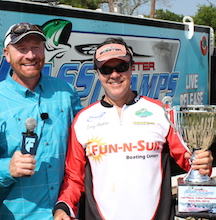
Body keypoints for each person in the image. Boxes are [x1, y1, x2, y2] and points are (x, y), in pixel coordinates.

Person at [53, 37, 214, 220]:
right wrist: (64, 207)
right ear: (98, 73)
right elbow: (74, 177)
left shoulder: (160, 112)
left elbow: (190, 161)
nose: (114, 75)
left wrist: (202, 163)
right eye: (106, 69)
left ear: (132, 68)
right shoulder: (83, 120)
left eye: (121, 67)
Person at [0, 22, 83, 220]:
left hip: (64, 213)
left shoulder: (66, 92)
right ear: (7, 54)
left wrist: (67, 204)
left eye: (36, 47)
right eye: (21, 49)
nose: (30, 55)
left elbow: (79, 155)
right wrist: (7, 168)